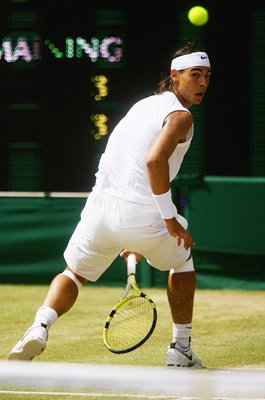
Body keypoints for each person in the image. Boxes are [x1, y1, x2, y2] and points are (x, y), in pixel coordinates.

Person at [8, 41, 211, 368]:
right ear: (175, 76)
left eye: (207, 76)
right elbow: (154, 161)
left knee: (73, 273)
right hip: (142, 211)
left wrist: (131, 231)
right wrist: (169, 219)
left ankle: (39, 326)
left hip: (100, 209)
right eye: (195, 75)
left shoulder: (142, 106)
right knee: (183, 260)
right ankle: (181, 348)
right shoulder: (181, 117)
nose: (202, 83)